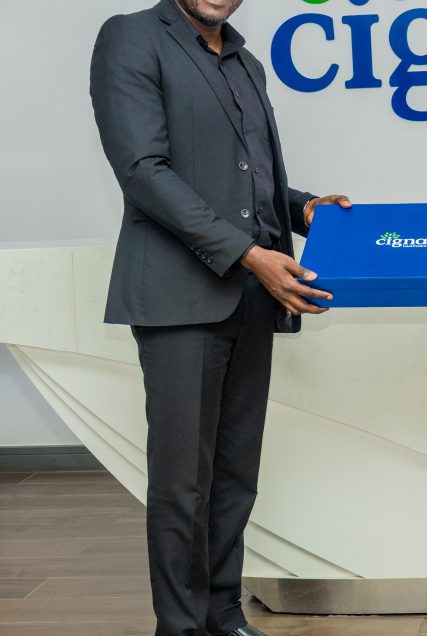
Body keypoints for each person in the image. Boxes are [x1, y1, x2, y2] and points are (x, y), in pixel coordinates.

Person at [90, 1, 349, 634]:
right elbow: (143, 172)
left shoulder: (244, 60)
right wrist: (248, 255)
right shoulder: (131, 37)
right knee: (183, 484)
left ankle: (222, 615)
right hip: (181, 298)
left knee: (235, 475)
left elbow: (247, 182)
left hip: (250, 299)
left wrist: (305, 208)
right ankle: (179, 627)